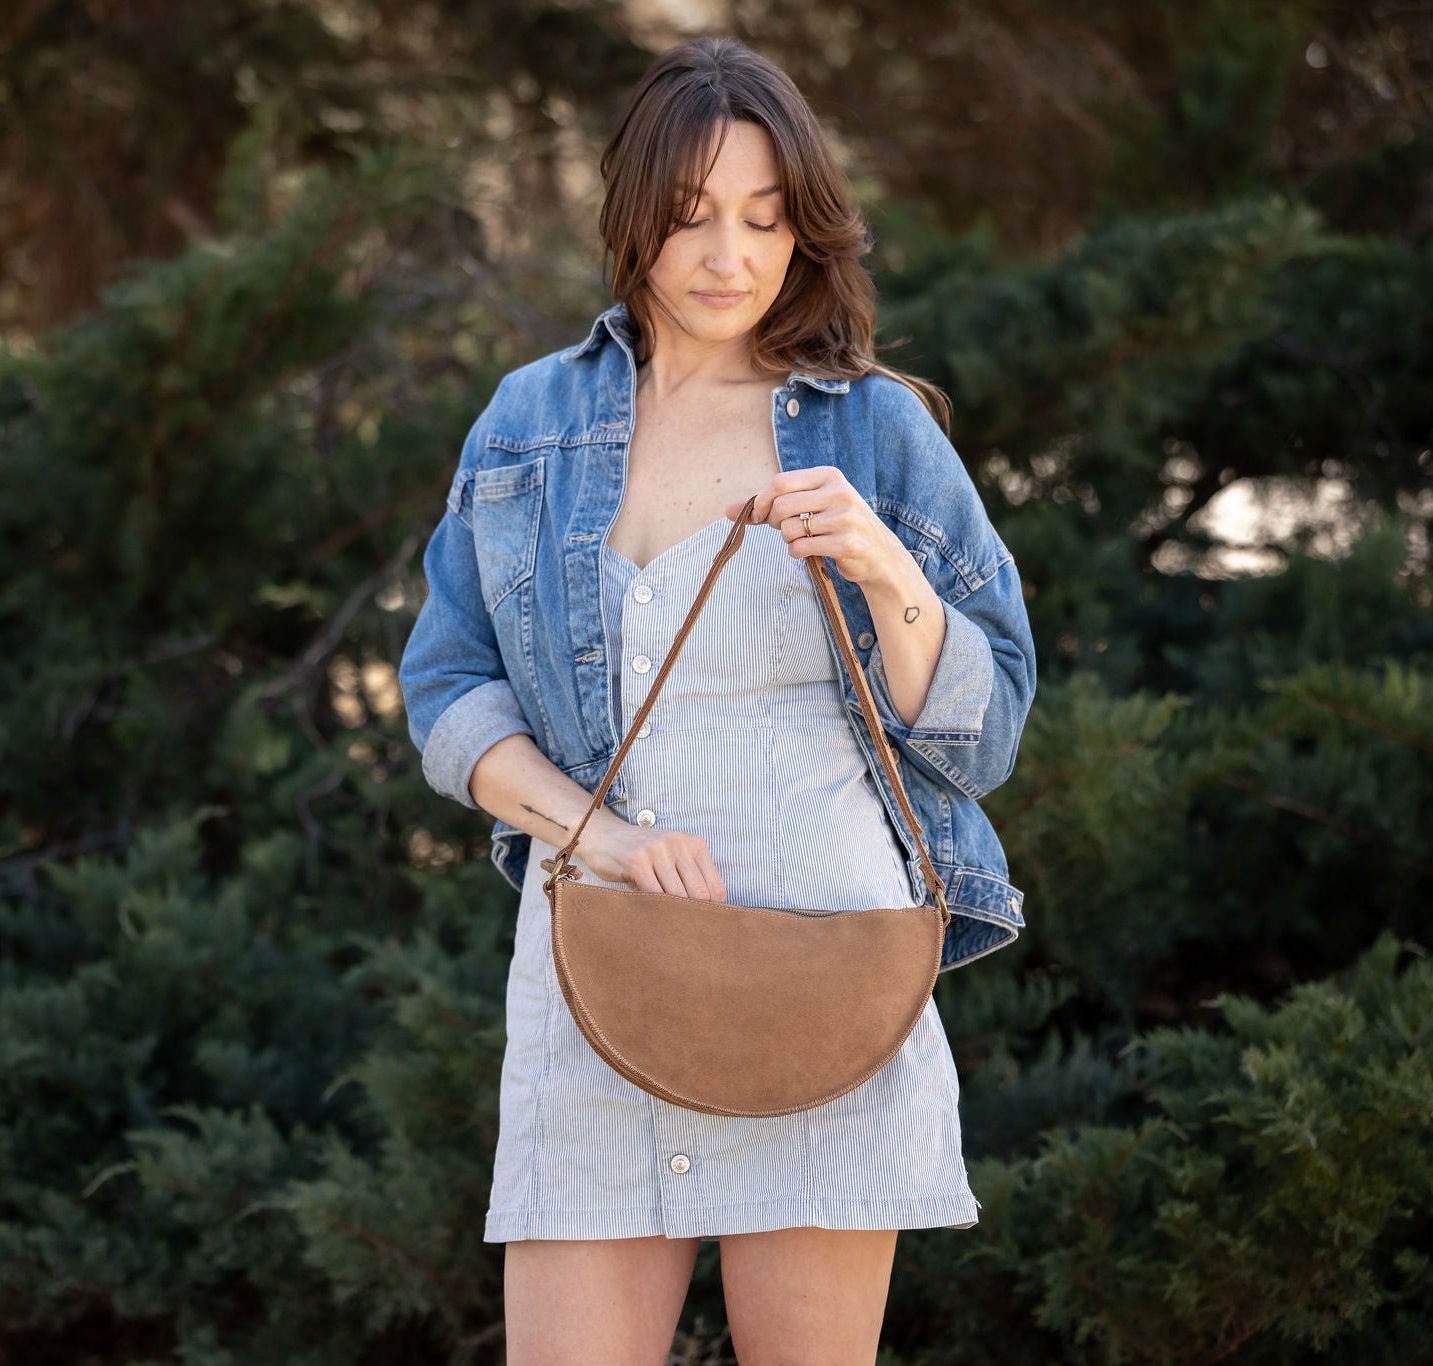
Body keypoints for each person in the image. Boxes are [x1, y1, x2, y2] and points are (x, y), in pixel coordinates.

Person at [398, 36, 1036, 1366]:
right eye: (692, 217)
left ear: (807, 229)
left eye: (765, 218)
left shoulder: (873, 430)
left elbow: (989, 723)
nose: (730, 255)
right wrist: (604, 840)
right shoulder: (530, 424)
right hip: (604, 970)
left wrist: (881, 567)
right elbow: (448, 690)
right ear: (635, 219)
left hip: (826, 973)